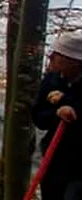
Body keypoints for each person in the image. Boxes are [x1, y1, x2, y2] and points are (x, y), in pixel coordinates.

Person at [34, 30, 82, 200]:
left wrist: (69, 105)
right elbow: (39, 118)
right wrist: (57, 112)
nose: (51, 58)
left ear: (74, 62)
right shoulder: (52, 80)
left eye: (58, 55)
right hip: (55, 158)